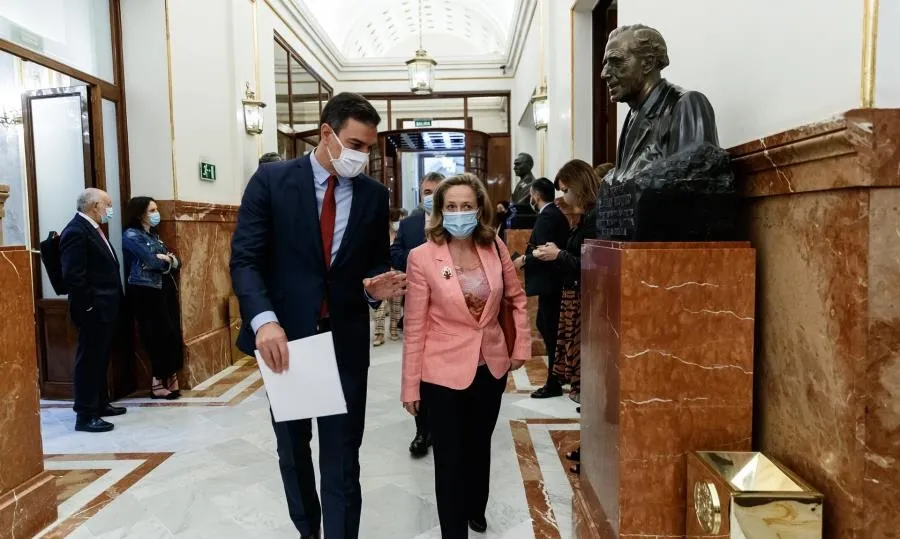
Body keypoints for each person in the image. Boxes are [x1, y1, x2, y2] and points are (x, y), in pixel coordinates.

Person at [230, 92, 406, 539]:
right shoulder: (271, 181)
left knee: (344, 458)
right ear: (326, 134)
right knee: (293, 451)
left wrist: (374, 288)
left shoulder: (372, 195)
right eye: (355, 144)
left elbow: (370, 264)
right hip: (287, 342)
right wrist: (264, 320)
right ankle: (308, 531)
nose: (362, 156)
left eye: (369, 147)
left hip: (344, 341)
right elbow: (245, 260)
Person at [401, 173, 530, 538]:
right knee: (449, 457)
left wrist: (520, 346)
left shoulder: (495, 248)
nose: (459, 213)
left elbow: (516, 299)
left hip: (490, 366)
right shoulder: (422, 257)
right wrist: (410, 386)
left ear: (479, 209)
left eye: (466, 206)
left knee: (478, 444)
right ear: (440, 211)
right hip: (441, 371)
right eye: (451, 206)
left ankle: (476, 505)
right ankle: (453, 531)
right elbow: (414, 326)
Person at [532, 159, 603, 471]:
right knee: (582, 375)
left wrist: (558, 254)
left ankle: (594, 448)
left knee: (589, 378)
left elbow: (594, 262)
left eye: (565, 190)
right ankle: (590, 445)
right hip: (576, 300)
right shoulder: (587, 215)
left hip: (587, 301)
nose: (563, 197)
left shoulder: (597, 217)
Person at [59, 188, 127, 433]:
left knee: (100, 358)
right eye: (108, 204)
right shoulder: (76, 231)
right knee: (88, 361)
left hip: (105, 307)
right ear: (94, 205)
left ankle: (100, 404)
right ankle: (85, 414)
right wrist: (88, 306)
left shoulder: (93, 229)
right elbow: (73, 276)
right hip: (92, 309)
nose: (110, 209)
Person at [391, 171, 444, 457]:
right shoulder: (410, 223)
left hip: (448, 310)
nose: (430, 196)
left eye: (435, 190)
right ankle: (422, 431)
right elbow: (395, 252)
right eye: (426, 191)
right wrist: (417, 260)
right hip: (417, 304)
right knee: (419, 367)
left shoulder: (454, 223)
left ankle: (443, 424)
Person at [513, 178, 571, 399]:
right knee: (545, 326)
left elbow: (545, 251)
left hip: (551, 283)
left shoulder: (548, 215)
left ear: (535, 194)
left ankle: (554, 381)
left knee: (551, 331)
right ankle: (555, 377)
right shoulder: (553, 213)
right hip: (552, 283)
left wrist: (524, 260)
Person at [122, 197, 184, 400]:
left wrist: (167, 259)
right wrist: (166, 260)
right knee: (157, 335)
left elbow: (177, 261)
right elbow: (151, 260)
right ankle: (158, 382)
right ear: (140, 213)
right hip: (146, 291)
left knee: (172, 332)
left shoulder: (155, 236)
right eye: (152, 210)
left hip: (164, 288)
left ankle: (172, 376)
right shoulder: (131, 235)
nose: (157, 214)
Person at [372, 209, 405, 346]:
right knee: (380, 304)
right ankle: (379, 334)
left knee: (396, 303)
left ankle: (394, 330)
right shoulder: (374, 236)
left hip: (397, 272)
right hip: (381, 273)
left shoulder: (397, 233)